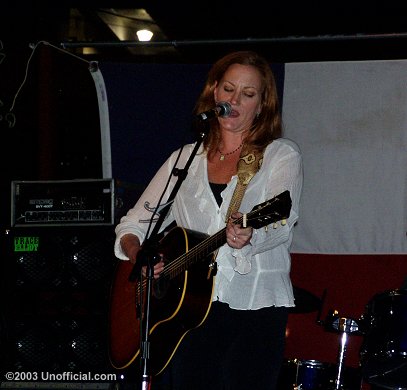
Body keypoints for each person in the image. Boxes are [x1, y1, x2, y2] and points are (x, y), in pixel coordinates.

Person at [114, 50, 303, 390]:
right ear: (214, 92)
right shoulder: (184, 159)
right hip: (188, 311)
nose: (235, 100)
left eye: (248, 94)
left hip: (255, 306)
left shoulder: (280, 154)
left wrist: (250, 235)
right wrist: (138, 255)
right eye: (229, 89)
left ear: (261, 105)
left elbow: (281, 219)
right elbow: (133, 224)